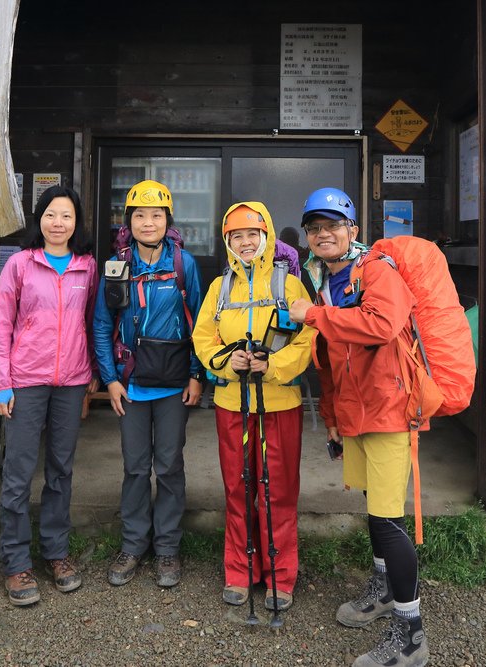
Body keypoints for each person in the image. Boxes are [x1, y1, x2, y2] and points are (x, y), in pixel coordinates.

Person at [288, 187, 429, 667]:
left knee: (388, 519)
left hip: (388, 410)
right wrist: (331, 417)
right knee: (374, 507)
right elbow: (330, 359)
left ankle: (411, 635)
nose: (323, 234)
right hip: (356, 412)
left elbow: (383, 325)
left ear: (352, 230)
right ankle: (385, 587)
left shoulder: (375, 270)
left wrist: (313, 315)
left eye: (332, 225)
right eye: (314, 227)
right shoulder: (325, 279)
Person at [192, 202, 314, 612]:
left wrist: (272, 365)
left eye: (252, 234)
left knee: (277, 491)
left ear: (267, 237)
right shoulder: (219, 288)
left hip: (279, 403)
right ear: (227, 242)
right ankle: (239, 571)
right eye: (236, 236)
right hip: (232, 403)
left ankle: (281, 576)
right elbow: (203, 338)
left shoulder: (289, 284)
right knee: (238, 488)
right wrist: (228, 362)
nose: (245, 243)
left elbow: (308, 337)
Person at [0, 185, 99, 606]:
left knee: (60, 471)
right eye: (51, 214)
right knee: (17, 474)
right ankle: (16, 563)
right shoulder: (19, 264)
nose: (59, 223)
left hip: (71, 382)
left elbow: (90, 323)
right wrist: (3, 382)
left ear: (77, 223)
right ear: (39, 219)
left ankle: (56, 553)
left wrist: (88, 373)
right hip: (25, 381)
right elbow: (1, 327)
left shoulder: (86, 267)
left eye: (67, 216)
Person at [92, 179, 205, 588]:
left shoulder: (182, 264)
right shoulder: (117, 265)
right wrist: (109, 380)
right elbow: (103, 325)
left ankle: (168, 550)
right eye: (140, 214)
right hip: (131, 385)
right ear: (129, 221)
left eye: (156, 215)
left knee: (170, 466)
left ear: (167, 220)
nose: (148, 222)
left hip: (174, 383)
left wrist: (197, 374)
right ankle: (134, 545)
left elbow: (199, 323)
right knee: (136, 468)